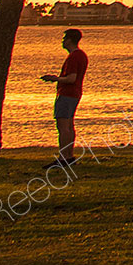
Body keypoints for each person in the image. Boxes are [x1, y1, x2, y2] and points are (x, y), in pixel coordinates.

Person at [39, 29, 89, 165]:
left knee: (63, 127)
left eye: (64, 39)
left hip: (67, 94)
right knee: (69, 125)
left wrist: (55, 79)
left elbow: (71, 78)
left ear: (69, 40)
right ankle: (69, 156)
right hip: (75, 94)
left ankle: (63, 158)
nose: (62, 41)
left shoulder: (74, 57)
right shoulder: (81, 55)